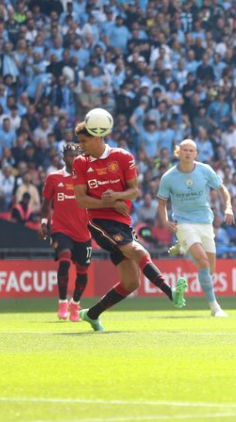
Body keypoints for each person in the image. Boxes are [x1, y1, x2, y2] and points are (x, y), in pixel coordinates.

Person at [72, 120, 187, 332]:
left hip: (122, 223)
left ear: (98, 137)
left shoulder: (122, 157)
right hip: (98, 222)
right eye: (79, 141)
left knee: (131, 283)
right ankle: (171, 292)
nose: (81, 145)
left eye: (84, 140)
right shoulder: (80, 162)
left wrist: (117, 196)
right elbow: (81, 200)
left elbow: (134, 191)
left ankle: (91, 314)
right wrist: (111, 202)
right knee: (137, 250)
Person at [157, 139, 234, 317]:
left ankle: (183, 247)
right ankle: (215, 308)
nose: (188, 153)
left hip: (205, 222)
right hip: (183, 223)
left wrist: (228, 207)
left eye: (192, 150)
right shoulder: (169, 177)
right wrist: (166, 220)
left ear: (196, 153)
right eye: (185, 150)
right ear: (179, 152)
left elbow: (222, 189)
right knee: (203, 262)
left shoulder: (205, 170)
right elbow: (161, 203)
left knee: (209, 269)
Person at [39, 143, 92, 322]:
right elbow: (46, 204)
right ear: (64, 158)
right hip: (61, 229)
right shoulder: (54, 178)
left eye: (77, 155)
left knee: (83, 271)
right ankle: (62, 302)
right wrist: (44, 222)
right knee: (64, 260)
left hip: (83, 232)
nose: (74, 158)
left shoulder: (86, 177)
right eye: (70, 155)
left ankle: (75, 304)